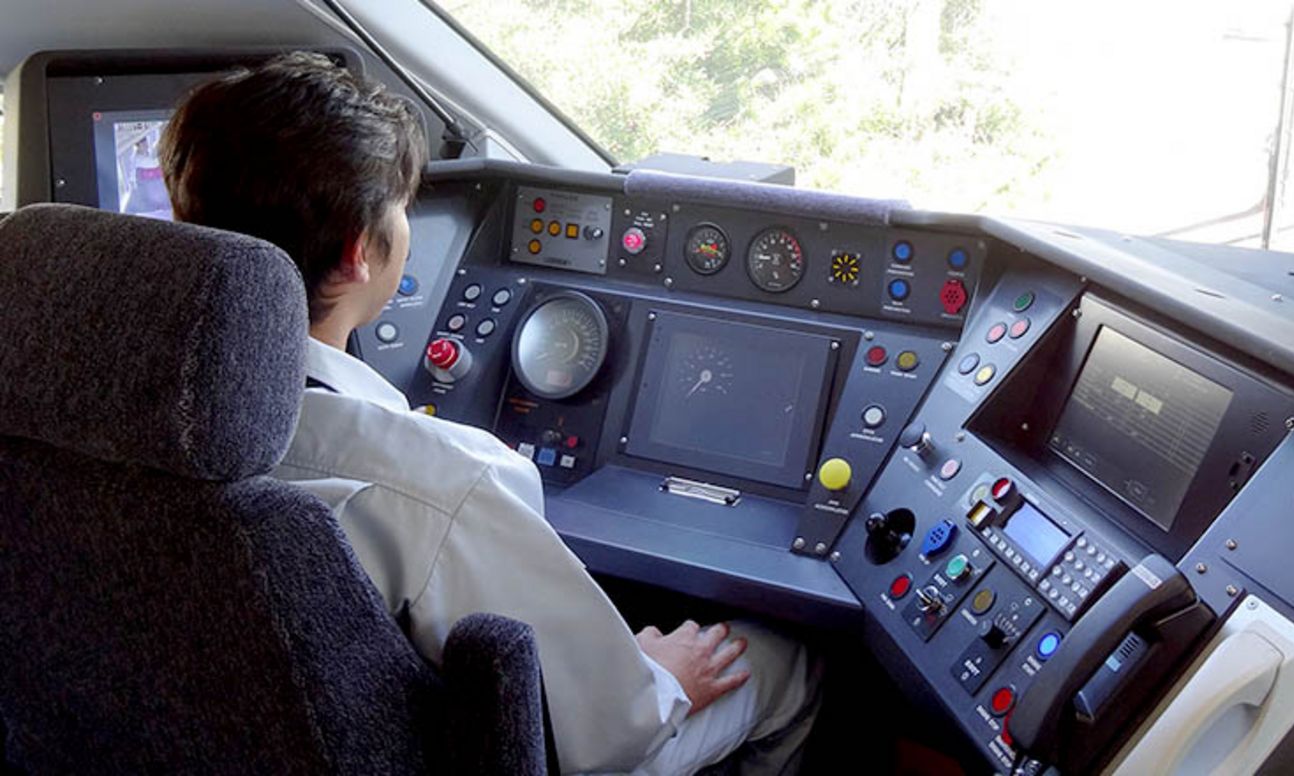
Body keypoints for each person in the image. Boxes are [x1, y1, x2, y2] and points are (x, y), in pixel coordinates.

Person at [158, 52, 818, 774]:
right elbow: (613, 730)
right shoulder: (438, 484)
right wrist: (660, 680)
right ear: (357, 255)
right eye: (399, 210)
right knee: (788, 660)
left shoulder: (96, 416)